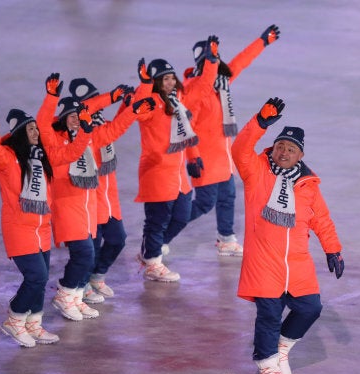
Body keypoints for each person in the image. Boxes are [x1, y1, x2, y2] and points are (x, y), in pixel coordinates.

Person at [231, 97, 345, 374]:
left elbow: (321, 218)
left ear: (300, 156)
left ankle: (281, 348)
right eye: (280, 146)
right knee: (268, 314)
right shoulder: (256, 171)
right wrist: (259, 123)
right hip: (263, 259)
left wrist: (333, 248)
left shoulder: (307, 184)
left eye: (290, 149)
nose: (283, 152)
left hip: (296, 261)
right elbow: (239, 149)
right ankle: (267, 366)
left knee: (310, 308)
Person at [37, 73, 153, 320]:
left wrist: (132, 111)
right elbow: (43, 121)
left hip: (88, 208)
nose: (75, 121)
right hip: (67, 205)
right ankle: (66, 294)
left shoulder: (88, 136)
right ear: (62, 120)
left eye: (78, 117)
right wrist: (51, 97)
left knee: (87, 253)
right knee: (84, 254)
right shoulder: (54, 140)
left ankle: (76, 296)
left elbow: (115, 128)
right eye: (71, 117)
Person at [0, 100, 89, 347]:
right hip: (19, 229)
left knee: (42, 277)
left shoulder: (42, 157)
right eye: (31, 129)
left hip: (41, 229)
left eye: (37, 128)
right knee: (37, 276)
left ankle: (34, 324)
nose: (36, 132)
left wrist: (85, 133)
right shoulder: (8, 159)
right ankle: (15, 319)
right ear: (19, 135)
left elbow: (71, 153)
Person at [183, 25, 281, 257]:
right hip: (204, 158)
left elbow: (240, 62)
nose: (218, 66)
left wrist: (262, 42)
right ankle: (163, 230)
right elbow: (184, 129)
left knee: (228, 197)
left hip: (223, 158)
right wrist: (192, 157)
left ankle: (226, 239)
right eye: (213, 61)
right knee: (205, 203)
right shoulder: (192, 92)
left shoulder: (221, 85)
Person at [132, 47, 215, 281]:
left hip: (178, 176)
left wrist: (211, 63)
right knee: (156, 221)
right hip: (157, 173)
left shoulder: (178, 101)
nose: (169, 82)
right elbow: (138, 106)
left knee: (181, 216)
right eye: (164, 79)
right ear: (156, 82)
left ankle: (150, 252)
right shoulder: (150, 105)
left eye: (171, 77)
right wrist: (145, 83)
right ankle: (152, 262)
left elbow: (203, 88)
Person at [68, 78, 133, 301]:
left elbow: (118, 123)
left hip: (109, 199)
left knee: (118, 239)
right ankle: (82, 284)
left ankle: (97, 275)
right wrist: (116, 100)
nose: (101, 105)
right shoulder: (83, 132)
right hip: (90, 202)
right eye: (95, 101)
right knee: (91, 248)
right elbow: (115, 130)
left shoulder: (103, 123)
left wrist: (127, 104)